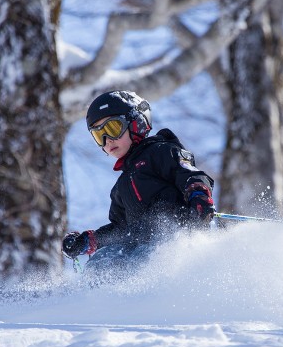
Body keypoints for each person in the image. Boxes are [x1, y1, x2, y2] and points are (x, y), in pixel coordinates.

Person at [62, 90, 215, 278]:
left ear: (136, 123)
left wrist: (198, 195)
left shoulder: (160, 152)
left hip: (174, 242)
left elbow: (190, 174)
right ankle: (93, 302)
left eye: (112, 129)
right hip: (139, 248)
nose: (107, 140)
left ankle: (135, 299)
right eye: (98, 134)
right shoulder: (120, 188)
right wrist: (88, 240)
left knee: (138, 260)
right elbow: (120, 229)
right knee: (101, 262)